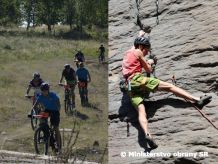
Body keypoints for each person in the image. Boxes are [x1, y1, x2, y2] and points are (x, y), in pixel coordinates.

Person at [122, 34, 212, 149]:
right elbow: (148, 69)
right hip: (137, 80)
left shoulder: (127, 53)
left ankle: (147, 134)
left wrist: (140, 35)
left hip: (129, 86)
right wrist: (149, 62)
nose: (146, 53)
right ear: (141, 46)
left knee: (141, 110)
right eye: (146, 50)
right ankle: (197, 100)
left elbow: (134, 49)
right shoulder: (138, 52)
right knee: (169, 86)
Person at [36, 82, 61, 152]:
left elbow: (58, 101)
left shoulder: (52, 95)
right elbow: (36, 104)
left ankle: (59, 146)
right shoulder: (40, 96)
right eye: (43, 90)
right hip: (47, 111)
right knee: (42, 122)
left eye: (46, 90)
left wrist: (58, 108)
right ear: (41, 90)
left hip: (55, 111)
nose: (45, 92)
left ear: (48, 90)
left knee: (55, 127)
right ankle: (46, 135)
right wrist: (34, 111)